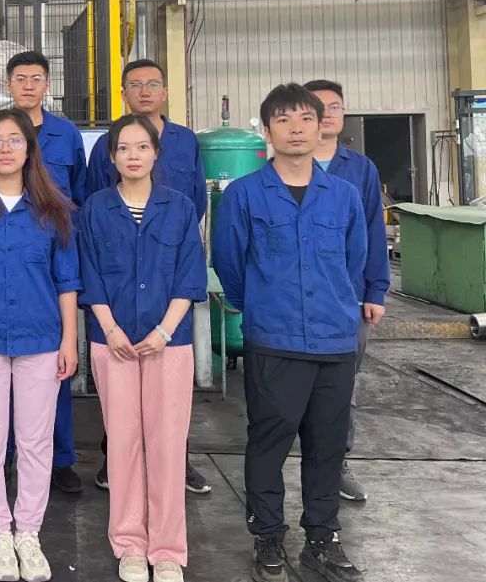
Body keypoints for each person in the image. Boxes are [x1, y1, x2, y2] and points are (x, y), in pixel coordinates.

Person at [212, 83, 367, 582]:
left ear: (321, 126)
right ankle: (268, 535)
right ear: (267, 130)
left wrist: (338, 306)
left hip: (334, 340)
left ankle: (323, 538)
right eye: (283, 119)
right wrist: (260, 305)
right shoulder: (244, 195)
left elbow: (354, 264)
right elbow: (229, 263)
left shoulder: (343, 196)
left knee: (326, 446)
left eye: (305, 118)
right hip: (275, 339)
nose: (295, 129)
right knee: (268, 441)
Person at [0, 108, 80, 582]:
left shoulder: (54, 210)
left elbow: (67, 281)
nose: (5, 149)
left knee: (35, 443)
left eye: (14, 140)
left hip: (41, 340)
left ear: (29, 149)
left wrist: (69, 340)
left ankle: (28, 532)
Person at [79, 115, 207, 582]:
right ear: (111, 158)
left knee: (168, 444)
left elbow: (190, 275)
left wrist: (165, 331)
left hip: (167, 344)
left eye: (142, 147)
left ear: (156, 153)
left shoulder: (179, 207)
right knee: (124, 444)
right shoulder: (95, 209)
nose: (132, 156)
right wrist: (110, 329)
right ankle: (130, 543)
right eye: (123, 148)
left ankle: (168, 548)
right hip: (111, 342)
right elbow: (89, 274)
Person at [84, 58, 210, 495]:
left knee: (169, 412)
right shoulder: (103, 173)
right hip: (118, 279)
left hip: (165, 273)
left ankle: (177, 464)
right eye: (135, 85)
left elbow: (197, 200)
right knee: (120, 413)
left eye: (152, 84)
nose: (144, 91)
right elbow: (95, 211)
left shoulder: (185, 143)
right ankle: (115, 462)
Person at [0, 51, 86, 494]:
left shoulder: (67, 134)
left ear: (48, 84)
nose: (28, 85)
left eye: (36, 78)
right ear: (8, 84)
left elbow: (81, 196)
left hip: (46, 260)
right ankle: (3, 458)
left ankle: (60, 460)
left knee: (53, 375)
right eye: (20, 78)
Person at [304, 79, 389, 503]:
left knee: (342, 388)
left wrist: (376, 291)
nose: (327, 114)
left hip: (348, 297)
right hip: (294, 296)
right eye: (317, 108)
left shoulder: (360, 169)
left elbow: (374, 230)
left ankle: (336, 461)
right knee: (287, 389)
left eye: (335, 106)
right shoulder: (284, 166)